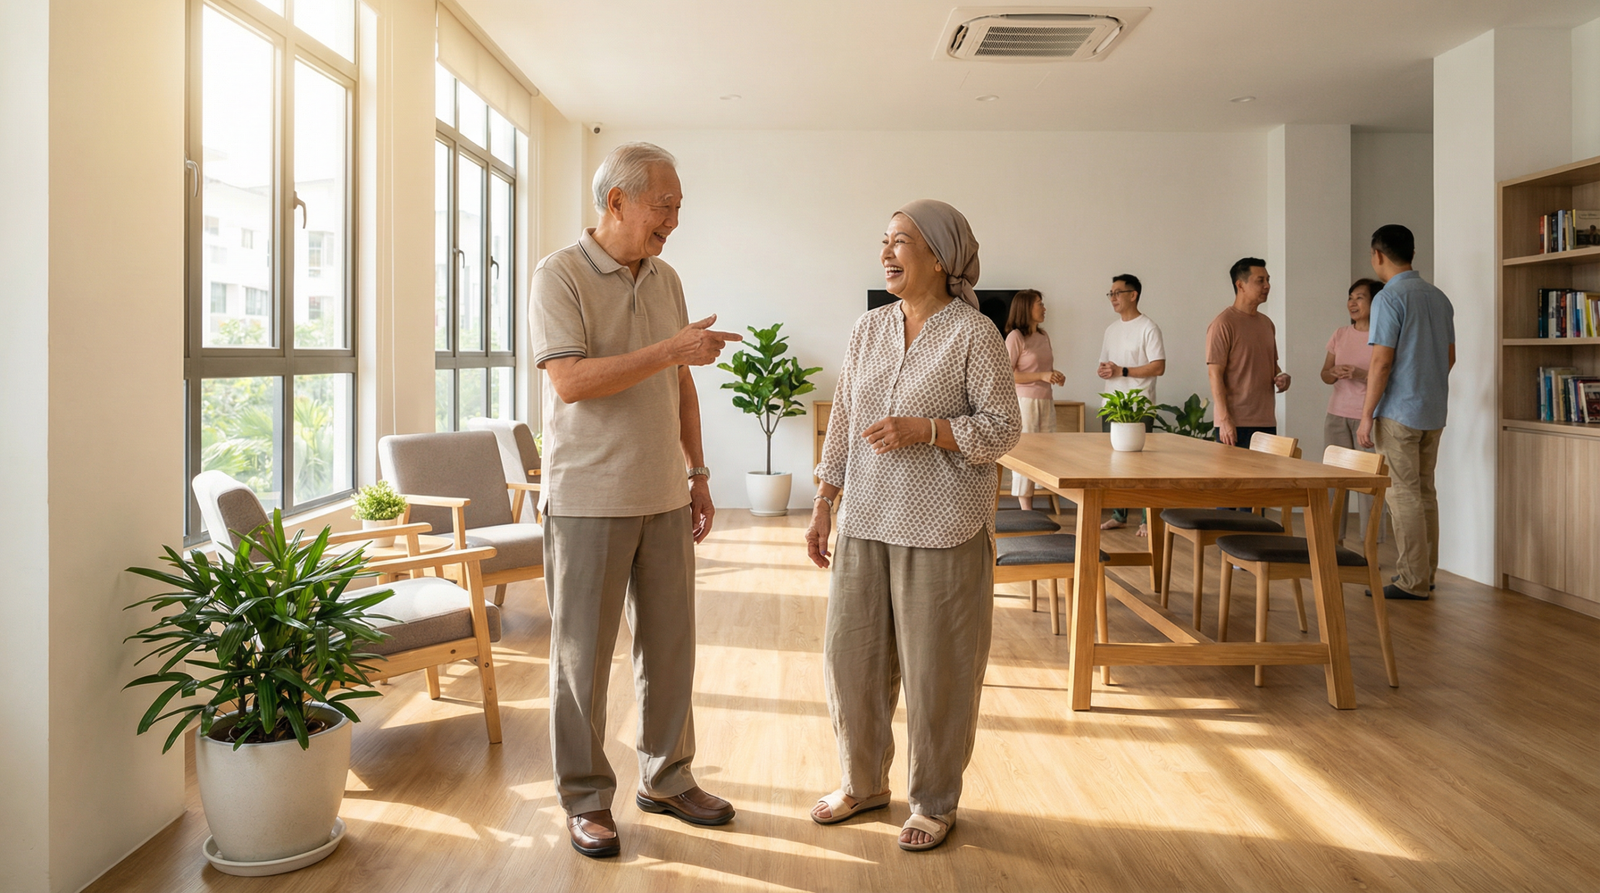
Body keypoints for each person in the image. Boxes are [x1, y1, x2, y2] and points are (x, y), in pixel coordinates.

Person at [531, 142, 743, 858]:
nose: (675, 220)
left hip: (663, 494)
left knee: (671, 648)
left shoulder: (667, 278)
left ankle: (667, 774)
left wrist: (700, 473)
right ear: (616, 200)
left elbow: (681, 384)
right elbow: (570, 381)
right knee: (581, 659)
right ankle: (587, 797)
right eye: (666, 205)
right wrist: (669, 350)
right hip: (589, 496)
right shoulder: (558, 274)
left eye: (678, 206)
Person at [804, 200, 1020, 853]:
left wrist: (926, 430)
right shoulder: (867, 330)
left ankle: (933, 800)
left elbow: (1004, 428)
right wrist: (823, 499)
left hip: (943, 527)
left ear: (940, 257)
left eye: (901, 242)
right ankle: (863, 782)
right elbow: (842, 420)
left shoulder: (973, 333)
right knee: (852, 662)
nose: (886, 254)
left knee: (939, 674)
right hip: (864, 519)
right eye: (884, 241)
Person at [1358, 224, 1455, 600]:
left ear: (1378, 254)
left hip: (1399, 412)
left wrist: (1367, 414)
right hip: (1433, 409)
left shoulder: (1388, 298)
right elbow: (1449, 357)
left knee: (1404, 495)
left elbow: (1381, 363)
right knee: (1426, 491)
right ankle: (1425, 574)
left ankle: (1411, 580)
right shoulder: (1438, 297)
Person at [1095, 273, 1166, 534]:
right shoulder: (1111, 330)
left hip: (1138, 405)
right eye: (1110, 294)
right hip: (1112, 404)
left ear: (1132, 295)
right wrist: (1105, 371)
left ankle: (1147, 519)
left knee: (1141, 465)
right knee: (1114, 463)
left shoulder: (1149, 327)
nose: (1112, 298)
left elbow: (1159, 366)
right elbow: (1106, 365)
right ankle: (1119, 515)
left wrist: (1122, 371)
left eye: (1117, 293)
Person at [1321, 278, 1383, 546]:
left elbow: (1389, 376)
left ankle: (1370, 547)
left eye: (1360, 297)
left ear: (1376, 302)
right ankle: (1335, 542)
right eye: (1350, 297)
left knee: (1368, 486)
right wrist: (1332, 373)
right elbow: (1324, 374)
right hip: (1336, 415)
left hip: (1368, 418)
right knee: (1335, 482)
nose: (1352, 303)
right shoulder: (1340, 334)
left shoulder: (1384, 335)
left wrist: (1361, 374)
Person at [1207, 257, 1290, 448]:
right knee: (1233, 478)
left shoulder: (1267, 324)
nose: (1267, 286)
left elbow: (1271, 366)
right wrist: (1225, 420)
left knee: (1265, 477)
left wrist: (1281, 376)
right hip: (1235, 424)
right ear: (1240, 285)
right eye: (1260, 281)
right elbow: (1214, 374)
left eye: (1268, 280)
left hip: (1266, 422)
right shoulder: (1223, 323)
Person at [1003, 289, 1064, 511]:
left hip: (1046, 400)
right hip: (1025, 403)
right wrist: (1041, 376)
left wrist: (1053, 374)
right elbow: (1006, 375)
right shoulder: (1015, 337)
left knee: (1046, 452)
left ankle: (1035, 504)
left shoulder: (1043, 336)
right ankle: (1026, 509)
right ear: (1026, 308)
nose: (1044, 307)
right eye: (1040, 303)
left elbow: (1043, 369)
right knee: (1026, 454)